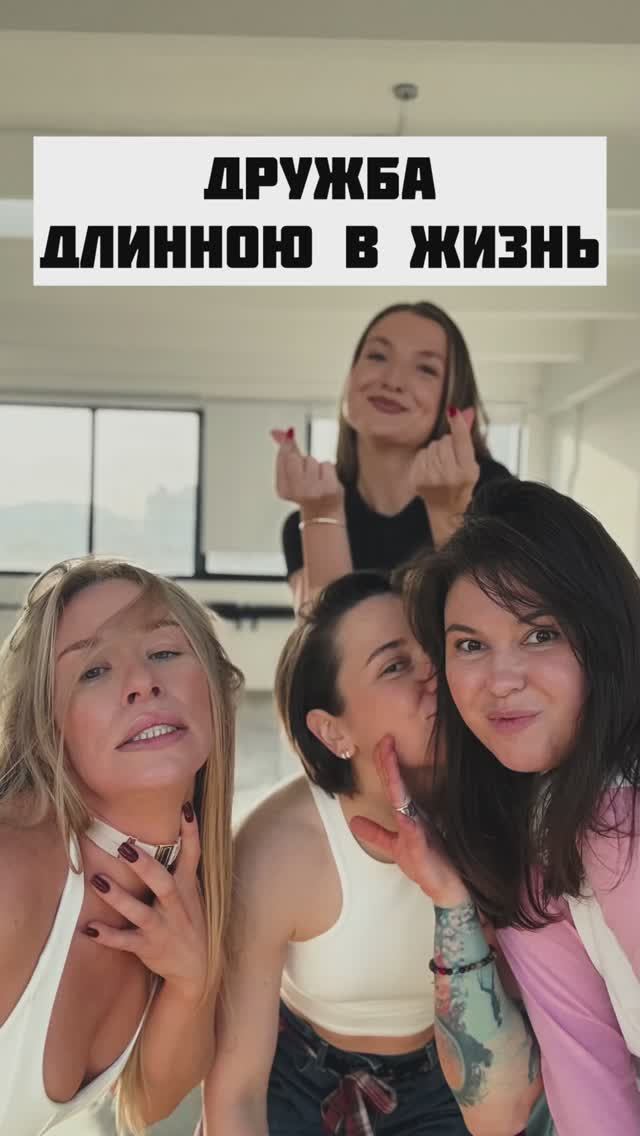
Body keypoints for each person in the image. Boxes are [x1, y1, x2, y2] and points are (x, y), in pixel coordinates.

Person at [202, 572, 543, 1136]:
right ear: (333, 732)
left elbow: (511, 1073)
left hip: (447, 1073)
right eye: (394, 665)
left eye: (434, 648)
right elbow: (236, 1090)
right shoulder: (277, 848)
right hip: (298, 1072)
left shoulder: (508, 808)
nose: (433, 672)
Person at [401, 478, 640, 1135]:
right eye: (470, 645)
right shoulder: (538, 817)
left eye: (540, 635)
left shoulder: (619, 818)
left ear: (605, 636)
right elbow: (585, 1067)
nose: (500, 681)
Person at [0, 556, 243, 1136]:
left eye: (163, 651)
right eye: (93, 670)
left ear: (214, 686)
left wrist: (191, 980)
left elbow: (150, 1103)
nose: (142, 682)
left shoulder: (187, 889)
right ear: (47, 727)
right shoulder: (12, 873)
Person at [272, 301, 512, 610]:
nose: (393, 381)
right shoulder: (302, 524)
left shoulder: (496, 496)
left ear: (453, 397)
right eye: (377, 356)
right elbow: (326, 639)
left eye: (426, 369)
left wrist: (450, 514)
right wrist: (321, 517)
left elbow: (493, 625)